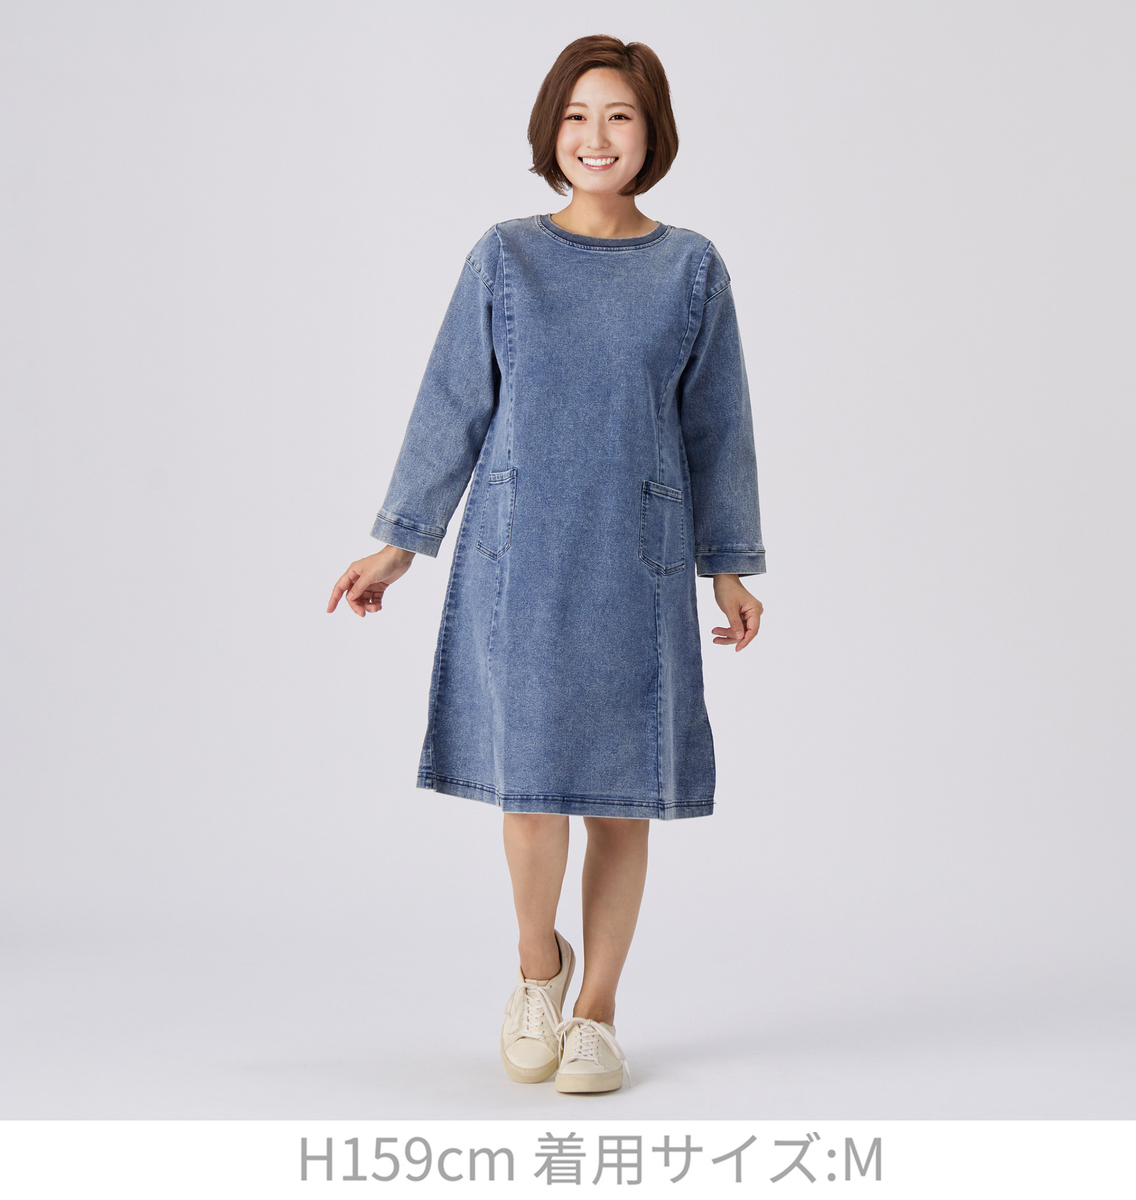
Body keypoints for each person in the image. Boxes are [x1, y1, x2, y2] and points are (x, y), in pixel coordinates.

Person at [328, 34, 765, 1094]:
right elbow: (452, 403)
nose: (595, 137)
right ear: (550, 132)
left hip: (637, 566)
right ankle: (538, 970)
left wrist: (728, 564)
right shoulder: (505, 259)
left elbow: (718, 428)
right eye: (576, 115)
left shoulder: (691, 268)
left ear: (651, 132)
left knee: (620, 800)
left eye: (619, 116)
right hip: (519, 557)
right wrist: (399, 541)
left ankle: (598, 1012)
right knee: (529, 793)